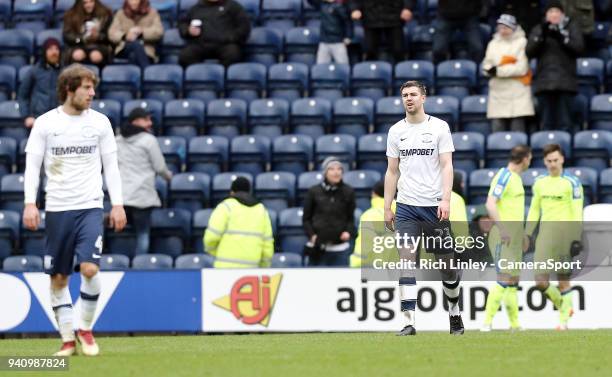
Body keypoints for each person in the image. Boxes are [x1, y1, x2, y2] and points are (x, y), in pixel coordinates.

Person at [22, 64, 127, 356]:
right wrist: (30, 203)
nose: (92, 93)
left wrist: (117, 204)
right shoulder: (45, 124)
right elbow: (32, 168)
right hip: (57, 208)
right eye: (87, 88)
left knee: (91, 269)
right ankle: (68, 339)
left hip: (90, 206)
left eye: (93, 88)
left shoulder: (100, 123)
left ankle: (86, 329)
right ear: (69, 89)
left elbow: (111, 167)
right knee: (59, 278)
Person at [384, 80, 464, 336]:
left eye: (413, 94)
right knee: (406, 262)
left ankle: (454, 315)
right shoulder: (396, 131)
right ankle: (409, 322)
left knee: (447, 266)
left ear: (423, 98)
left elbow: (446, 166)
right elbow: (392, 171)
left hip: (433, 207)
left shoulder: (439, 127)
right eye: (405, 95)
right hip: (406, 207)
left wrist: (446, 199)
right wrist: (388, 206)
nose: (408, 98)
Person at [526, 143, 583, 330]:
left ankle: (563, 322)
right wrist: (527, 233)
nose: (552, 164)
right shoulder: (540, 182)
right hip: (545, 238)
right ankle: (565, 307)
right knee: (540, 282)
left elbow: (577, 212)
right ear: (544, 161)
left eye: (555, 160)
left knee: (563, 280)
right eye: (549, 161)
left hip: (565, 238)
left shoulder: (572, 183)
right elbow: (534, 210)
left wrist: (576, 238)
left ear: (563, 160)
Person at [481, 145, 532, 332]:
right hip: (504, 236)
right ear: (525, 158)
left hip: (515, 237)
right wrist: (502, 229)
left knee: (512, 281)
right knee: (503, 278)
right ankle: (486, 323)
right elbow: (490, 203)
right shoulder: (504, 176)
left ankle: (515, 324)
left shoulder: (517, 178)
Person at [116, 107, 172, 256]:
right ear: (136, 121)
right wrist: (168, 176)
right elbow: (160, 167)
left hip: (122, 197)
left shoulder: (118, 140)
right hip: (142, 196)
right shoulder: (149, 140)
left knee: (120, 232)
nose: (150, 123)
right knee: (143, 233)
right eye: (146, 120)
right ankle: (139, 266)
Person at [526, 0, 584, 133]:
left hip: (566, 83)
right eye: (551, 11)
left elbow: (579, 48)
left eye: (557, 11)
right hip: (544, 83)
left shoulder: (571, 27)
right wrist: (542, 37)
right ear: (546, 15)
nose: (554, 15)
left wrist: (562, 38)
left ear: (562, 14)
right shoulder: (539, 29)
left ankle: (564, 152)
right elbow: (529, 52)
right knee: (545, 124)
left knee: (565, 123)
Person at [204, 177, 274, 268]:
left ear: (232, 192)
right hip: (251, 270)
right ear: (249, 192)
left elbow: (211, 237)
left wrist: (215, 253)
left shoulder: (225, 207)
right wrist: (263, 266)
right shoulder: (261, 210)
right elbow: (267, 246)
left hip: (224, 268)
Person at [482, 14, 535, 133]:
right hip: (498, 93)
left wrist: (498, 70)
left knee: (518, 131)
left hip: (518, 93)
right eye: (501, 27)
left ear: (513, 28)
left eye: (506, 27)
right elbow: (486, 65)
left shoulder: (522, 42)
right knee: (497, 132)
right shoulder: (493, 44)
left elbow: (522, 68)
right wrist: (505, 64)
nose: (503, 30)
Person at [303, 157, 356, 267]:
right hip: (318, 249)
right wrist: (312, 236)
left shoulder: (349, 191)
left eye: (339, 169)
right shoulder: (313, 191)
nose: (336, 172)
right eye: (331, 169)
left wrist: (348, 232)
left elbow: (350, 218)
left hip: (340, 249)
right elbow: (306, 219)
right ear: (325, 172)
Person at [178, 0, 251, 67]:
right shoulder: (196, 8)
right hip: (201, 44)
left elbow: (244, 27)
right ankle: (200, 77)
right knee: (185, 56)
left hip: (225, 44)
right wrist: (188, 30)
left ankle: (221, 77)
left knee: (233, 54)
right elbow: (183, 23)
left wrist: (230, 38)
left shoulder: (233, 6)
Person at [17, 38, 62, 129]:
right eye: (50, 49)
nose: (54, 52)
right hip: (38, 119)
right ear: (44, 52)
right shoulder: (34, 71)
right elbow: (22, 95)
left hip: (60, 120)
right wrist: (27, 116)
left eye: (57, 49)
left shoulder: (65, 72)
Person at [349, 0, 413, 63]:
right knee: (369, 50)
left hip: (395, 17)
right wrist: (354, 9)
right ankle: (370, 72)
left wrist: (407, 8)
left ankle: (401, 72)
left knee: (398, 51)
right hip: (370, 18)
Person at [108, 0, 164, 69]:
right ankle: (147, 72)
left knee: (133, 55)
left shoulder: (152, 13)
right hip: (124, 48)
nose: (133, 2)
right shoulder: (120, 13)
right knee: (135, 44)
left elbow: (159, 32)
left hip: (146, 50)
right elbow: (112, 33)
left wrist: (142, 33)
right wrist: (125, 36)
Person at [350, 180, 393, 267]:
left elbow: (366, 245)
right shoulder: (404, 214)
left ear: (374, 194)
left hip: (372, 266)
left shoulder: (369, 215)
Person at [63, 0, 113, 67]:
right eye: (85, 3)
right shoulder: (71, 15)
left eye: (91, 1)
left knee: (95, 56)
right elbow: (68, 36)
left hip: (99, 45)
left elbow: (109, 35)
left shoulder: (105, 15)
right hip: (78, 45)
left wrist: (98, 36)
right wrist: (82, 39)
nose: (89, 5)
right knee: (78, 55)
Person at [308, 0, 353, 64]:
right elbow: (311, 1)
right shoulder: (322, 5)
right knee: (321, 67)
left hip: (338, 42)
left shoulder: (340, 6)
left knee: (343, 66)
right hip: (324, 41)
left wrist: (348, 36)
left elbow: (347, 22)